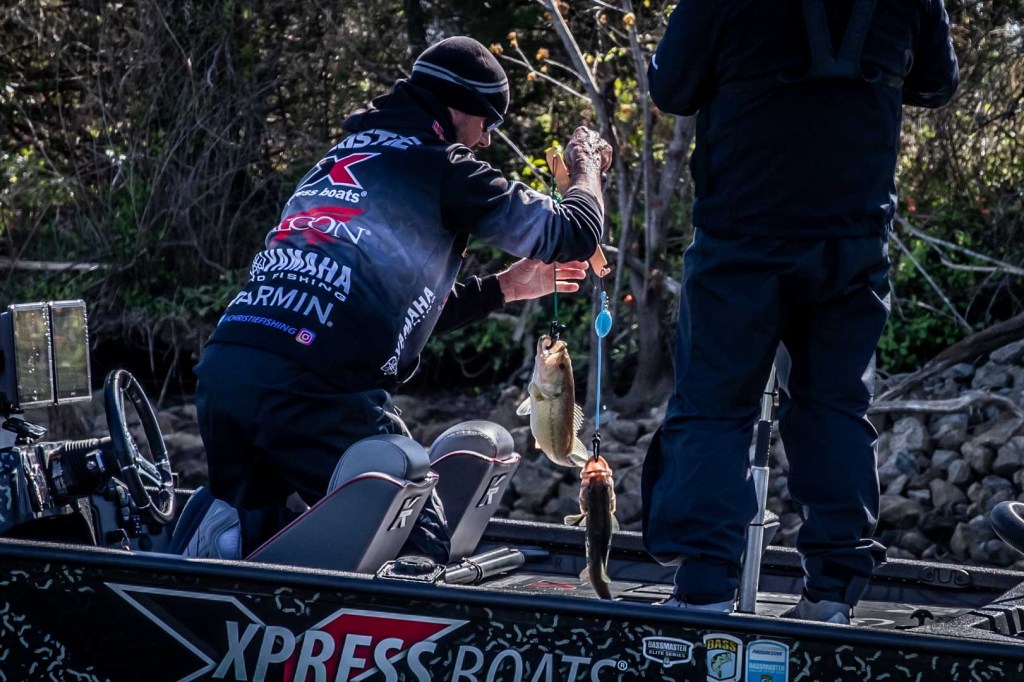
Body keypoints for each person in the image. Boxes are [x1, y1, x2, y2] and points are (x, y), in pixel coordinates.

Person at [175, 36, 612, 562]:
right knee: (417, 545)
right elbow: (574, 232)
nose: (487, 139)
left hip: (225, 372)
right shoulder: (444, 167)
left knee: (260, 518)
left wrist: (504, 287)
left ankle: (219, 537)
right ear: (457, 108)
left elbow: (383, 310)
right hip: (315, 387)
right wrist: (586, 163)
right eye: (487, 121)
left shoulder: (339, 158)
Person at [641, 0, 958, 622]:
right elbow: (936, 84)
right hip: (851, 237)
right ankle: (833, 595)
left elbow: (671, 88)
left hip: (742, 235)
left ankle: (703, 591)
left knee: (714, 407)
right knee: (834, 407)